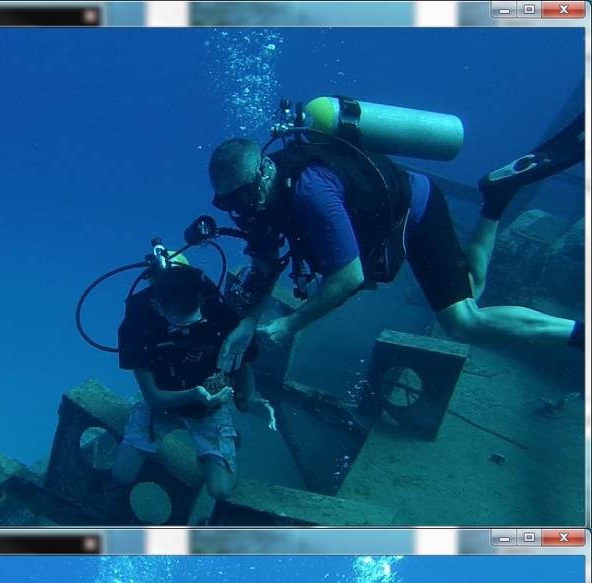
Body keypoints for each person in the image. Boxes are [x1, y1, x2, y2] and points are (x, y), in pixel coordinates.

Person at [209, 119, 585, 385]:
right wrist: (250, 321)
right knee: (474, 285)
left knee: (464, 321)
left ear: (262, 174)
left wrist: (292, 324)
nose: (240, 209)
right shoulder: (258, 203)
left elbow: (349, 276)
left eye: (242, 196)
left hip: (416, 210)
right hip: (382, 217)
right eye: (228, 204)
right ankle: (496, 197)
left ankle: (580, 334)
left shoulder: (311, 193)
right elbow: (265, 265)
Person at [112, 259, 259, 519]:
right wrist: (194, 394)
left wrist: (245, 392)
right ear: (158, 307)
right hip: (164, 399)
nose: (191, 328)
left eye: (196, 318)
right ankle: (164, 440)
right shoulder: (136, 326)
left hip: (209, 399)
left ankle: (217, 445)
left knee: (221, 490)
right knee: (122, 476)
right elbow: (155, 399)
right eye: (181, 323)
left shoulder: (211, 303)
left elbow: (242, 353)